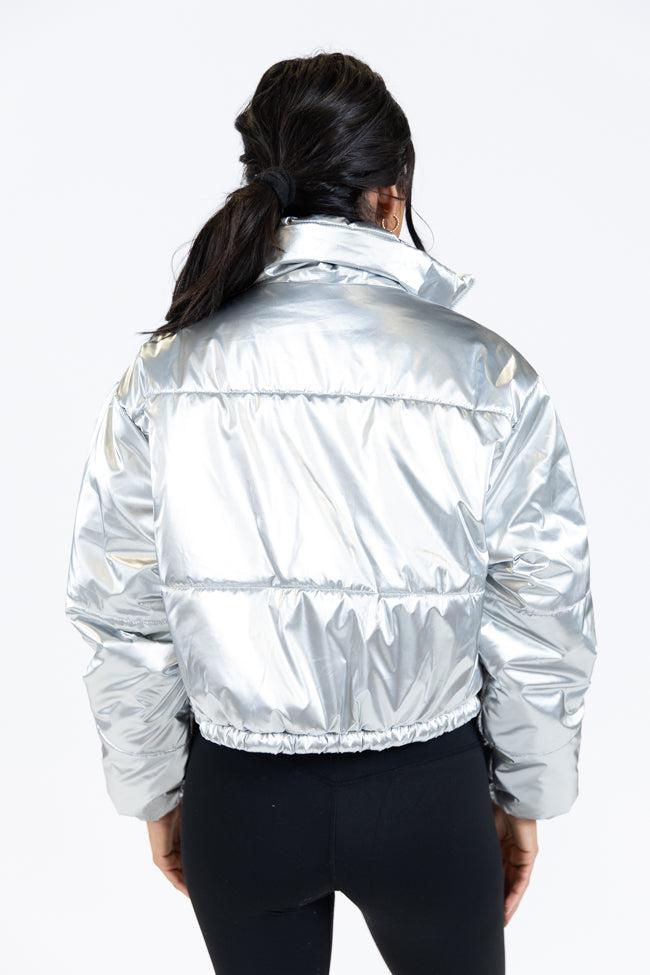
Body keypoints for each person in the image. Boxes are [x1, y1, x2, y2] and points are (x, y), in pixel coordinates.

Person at [64, 52, 597, 975]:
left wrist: (154, 790)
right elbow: (543, 608)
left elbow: (119, 608)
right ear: (391, 196)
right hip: (429, 800)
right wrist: (526, 794)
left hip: (241, 803)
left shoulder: (165, 371)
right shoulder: (488, 373)